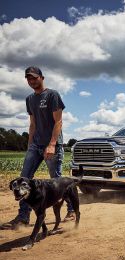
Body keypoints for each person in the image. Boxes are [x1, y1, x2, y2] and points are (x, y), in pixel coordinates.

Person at [4, 66, 75, 229]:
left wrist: (51, 144)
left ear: (42, 78)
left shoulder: (52, 95)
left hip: (52, 146)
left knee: (56, 181)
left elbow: (58, 122)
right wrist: (30, 145)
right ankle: (23, 217)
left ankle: (71, 210)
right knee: (23, 179)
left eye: (34, 78)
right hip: (35, 145)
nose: (31, 81)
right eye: (29, 78)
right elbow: (33, 124)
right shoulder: (29, 99)